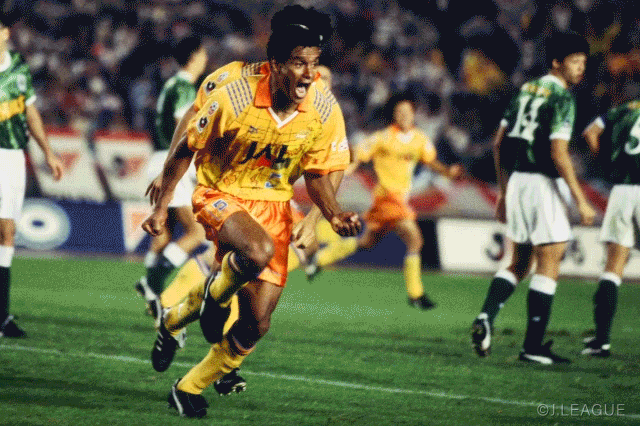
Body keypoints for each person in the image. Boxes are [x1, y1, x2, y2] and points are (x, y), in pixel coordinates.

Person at [141, 5, 360, 418]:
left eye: (314, 63)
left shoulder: (324, 107)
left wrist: (331, 215)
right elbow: (189, 140)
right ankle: (216, 295)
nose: (310, 74)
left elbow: (321, 172)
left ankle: (184, 370)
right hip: (220, 191)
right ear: (275, 62)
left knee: (257, 324)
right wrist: (163, 199)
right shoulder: (232, 91)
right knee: (256, 251)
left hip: (275, 204)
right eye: (300, 63)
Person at [470, 32, 595, 364]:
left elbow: (499, 142)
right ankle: (533, 347)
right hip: (544, 184)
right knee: (549, 261)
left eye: (583, 62)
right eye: (574, 61)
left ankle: (485, 317)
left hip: (519, 183)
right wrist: (581, 199)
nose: (580, 68)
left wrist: (503, 191)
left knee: (519, 263)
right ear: (556, 62)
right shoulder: (563, 98)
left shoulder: (525, 89)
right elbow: (558, 152)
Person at [306, 93, 462, 310]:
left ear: (413, 114)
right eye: (399, 112)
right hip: (387, 197)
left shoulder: (420, 139)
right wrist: (348, 168)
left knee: (367, 242)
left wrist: (447, 172)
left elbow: (430, 161)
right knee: (415, 240)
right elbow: (360, 153)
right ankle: (416, 294)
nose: (404, 115)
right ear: (394, 115)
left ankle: (319, 260)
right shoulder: (383, 138)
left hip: (396, 200)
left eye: (407, 112)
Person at [135, 36, 208, 321]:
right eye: (203, 54)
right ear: (194, 56)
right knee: (196, 232)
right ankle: (152, 284)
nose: (205, 60)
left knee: (163, 234)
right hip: (172, 161)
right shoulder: (185, 88)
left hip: (159, 158)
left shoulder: (171, 85)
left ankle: (151, 293)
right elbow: (185, 128)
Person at [0, 17, 64, 338]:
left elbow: (30, 111)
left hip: (12, 156)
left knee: (7, 233)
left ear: (5, 33)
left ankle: (2, 315)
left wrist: (48, 152)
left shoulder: (18, 68)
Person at [579, 100, 640, 357]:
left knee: (613, 267)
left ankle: (601, 341)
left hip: (622, 191)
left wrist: (607, 163)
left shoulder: (626, 109)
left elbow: (590, 132)